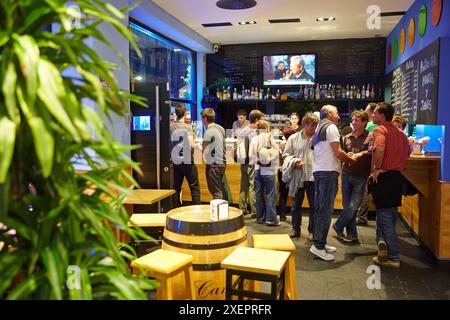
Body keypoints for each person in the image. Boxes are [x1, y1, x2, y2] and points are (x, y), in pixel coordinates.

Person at [309, 105, 356, 261]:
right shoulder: (331, 127)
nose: (338, 114)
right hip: (328, 172)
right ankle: (318, 246)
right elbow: (337, 152)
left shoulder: (319, 128)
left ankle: (319, 241)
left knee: (320, 208)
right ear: (329, 114)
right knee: (325, 210)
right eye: (336, 112)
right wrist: (351, 160)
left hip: (320, 171)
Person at [370, 102, 409, 268]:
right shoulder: (400, 133)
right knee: (389, 215)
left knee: (384, 217)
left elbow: (379, 148)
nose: (372, 115)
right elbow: (407, 152)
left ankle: (393, 257)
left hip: (384, 178)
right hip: (396, 178)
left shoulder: (380, 130)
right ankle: (383, 250)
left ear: (382, 115)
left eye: (375, 113)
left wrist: (378, 168)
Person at [333, 111, 371, 243]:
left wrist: (361, 154)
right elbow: (341, 154)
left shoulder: (370, 137)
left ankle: (338, 225)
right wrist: (347, 155)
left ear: (364, 122)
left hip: (361, 175)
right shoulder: (346, 137)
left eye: (356, 120)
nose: (353, 122)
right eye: (353, 120)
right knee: (347, 206)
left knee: (354, 206)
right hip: (346, 174)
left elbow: (372, 151)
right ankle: (352, 235)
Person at [283, 113, 319, 239]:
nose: (314, 127)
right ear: (305, 124)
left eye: (316, 125)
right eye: (312, 125)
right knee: (295, 205)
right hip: (298, 177)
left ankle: (312, 231)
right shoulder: (293, 138)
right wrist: (294, 162)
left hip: (314, 177)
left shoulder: (319, 138)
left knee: (314, 206)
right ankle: (295, 229)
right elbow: (286, 155)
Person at [249, 120, 280, 226]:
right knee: (271, 194)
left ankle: (260, 218)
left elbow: (250, 156)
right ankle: (271, 219)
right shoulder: (269, 136)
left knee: (258, 194)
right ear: (266, 128)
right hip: (268, 169)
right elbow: (277, 149)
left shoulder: (253, 139)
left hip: (257, 170)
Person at [170, 105, 201, 207]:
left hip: (175, 160)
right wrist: (197, 146)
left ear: (176, 114)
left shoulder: (171, 127)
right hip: (187, 160)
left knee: (176, 188)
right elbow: (192, 145)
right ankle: (196, 211)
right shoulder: (187, 127)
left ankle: (176, 210)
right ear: (185, 114)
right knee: (194, 188)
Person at [237, 109, 264, 217]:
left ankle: (242, 208)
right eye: (261, 119)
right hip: (252, 162)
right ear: (257, 119)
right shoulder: (255, 132)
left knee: (244, 185)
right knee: (253, 186)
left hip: (243, 161)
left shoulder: (243, 130)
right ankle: (255, 211)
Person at [356, 102, 379, 226]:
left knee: (364, 189)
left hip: (368, 161)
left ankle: (361, 217)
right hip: (378, 162)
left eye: (367, 110)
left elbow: (365, 144)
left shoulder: (370, 125)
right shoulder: (379, 126)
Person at [278, 113, 301, 221]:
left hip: (283, 169)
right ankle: (293, 214)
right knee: (294, 192)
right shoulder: (294, 144)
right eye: (292, 118)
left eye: (296, 118)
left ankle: (282, 214)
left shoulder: (282, 144)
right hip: (292, 169)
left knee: (283, 192)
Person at [201, 108, 227, 200]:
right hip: (222, 163)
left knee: (215, 192)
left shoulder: (208, 132)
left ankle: (220, 213)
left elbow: (206, 151)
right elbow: (224, 147)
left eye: (202, 118)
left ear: (205, 118)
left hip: (213, 165)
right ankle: (221, 211)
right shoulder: (221, 128)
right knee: (219, 189)